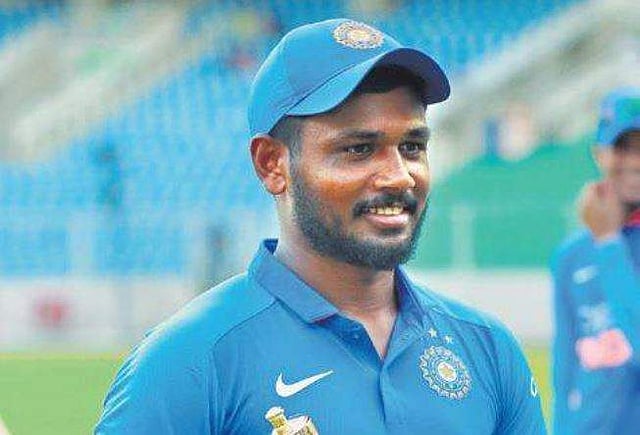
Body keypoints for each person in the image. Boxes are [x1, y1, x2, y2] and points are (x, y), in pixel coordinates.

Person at [96, 18, 546, 434]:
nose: (398, 175)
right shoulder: (189, 361)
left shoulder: (488, 350)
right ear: (272, 164)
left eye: (412, 147)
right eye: (358, 149)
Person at [551, 88, 640, 434]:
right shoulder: (570, 255)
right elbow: (565, 368)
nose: (634, 161)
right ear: (599, 154)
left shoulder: (603, 245)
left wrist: (608, 245)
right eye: (622, 147)